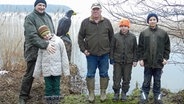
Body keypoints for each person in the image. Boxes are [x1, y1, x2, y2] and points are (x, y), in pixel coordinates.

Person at [19, 0, 55, 103]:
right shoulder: (30, 18)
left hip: (47, 49)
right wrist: (45, 44)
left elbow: (52, 31)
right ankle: (23, 96)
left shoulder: (48, 17)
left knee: (50, 72)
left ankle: (51, 95)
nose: (42, 7)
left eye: (44, 5)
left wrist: (53, 41)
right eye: (39, 5)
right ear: (35, 6)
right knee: (30, 74)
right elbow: (32, 36)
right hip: (33, 50)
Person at [78, 3, 114, 103]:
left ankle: (103, 92)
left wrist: (110, 52)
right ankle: (91, 93)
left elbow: (112, 38)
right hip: (91, 55)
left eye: (97, 9)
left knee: (104, 74)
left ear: (100, 10)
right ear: (91, 11)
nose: (95, 11)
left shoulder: (107, 22)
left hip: (104, 54)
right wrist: (83, 50)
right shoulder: (85, 22)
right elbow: (80, 37)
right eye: (94, 9)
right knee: (90, 74)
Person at [138, 13, 170, 104]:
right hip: (147, 62)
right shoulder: (143, 33)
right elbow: (140, 47)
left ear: (157, 21)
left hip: (159, 62)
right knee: (146, 81)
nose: (152, 21)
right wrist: (141, 59)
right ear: (148, 21)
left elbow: (167, 47)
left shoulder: (163, 33)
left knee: (157, 81)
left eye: (154, 19)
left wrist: (165, 58)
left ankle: (157, 97)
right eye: (150, 19)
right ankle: (144, 96)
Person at [33, 25, 70, 104]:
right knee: (48, 87)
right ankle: (49, 101)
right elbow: (39, 59)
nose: (46, 36)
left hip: (57, 69)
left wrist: (66, 71)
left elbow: (64, 56)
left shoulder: (59, 41)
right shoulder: (42, 44)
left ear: (50, 32)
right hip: (46, 70)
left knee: (56, 87)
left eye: (47, 33)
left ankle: (56, 101)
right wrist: (36, 72)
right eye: (44, 35)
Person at [110, 18, 138, 102]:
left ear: (128, 27)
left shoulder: (133, 37)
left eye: (125, 26)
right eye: (122, 26)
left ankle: (124, 93)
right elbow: (112, 48)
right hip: (117, 61)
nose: (123, 28)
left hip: (128, 62)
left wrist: (135, 60)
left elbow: (135, 50)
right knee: (116, 78)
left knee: (126, 78)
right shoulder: (115, 36)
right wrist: (111, 58)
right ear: (120, 27)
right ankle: (116, 93)